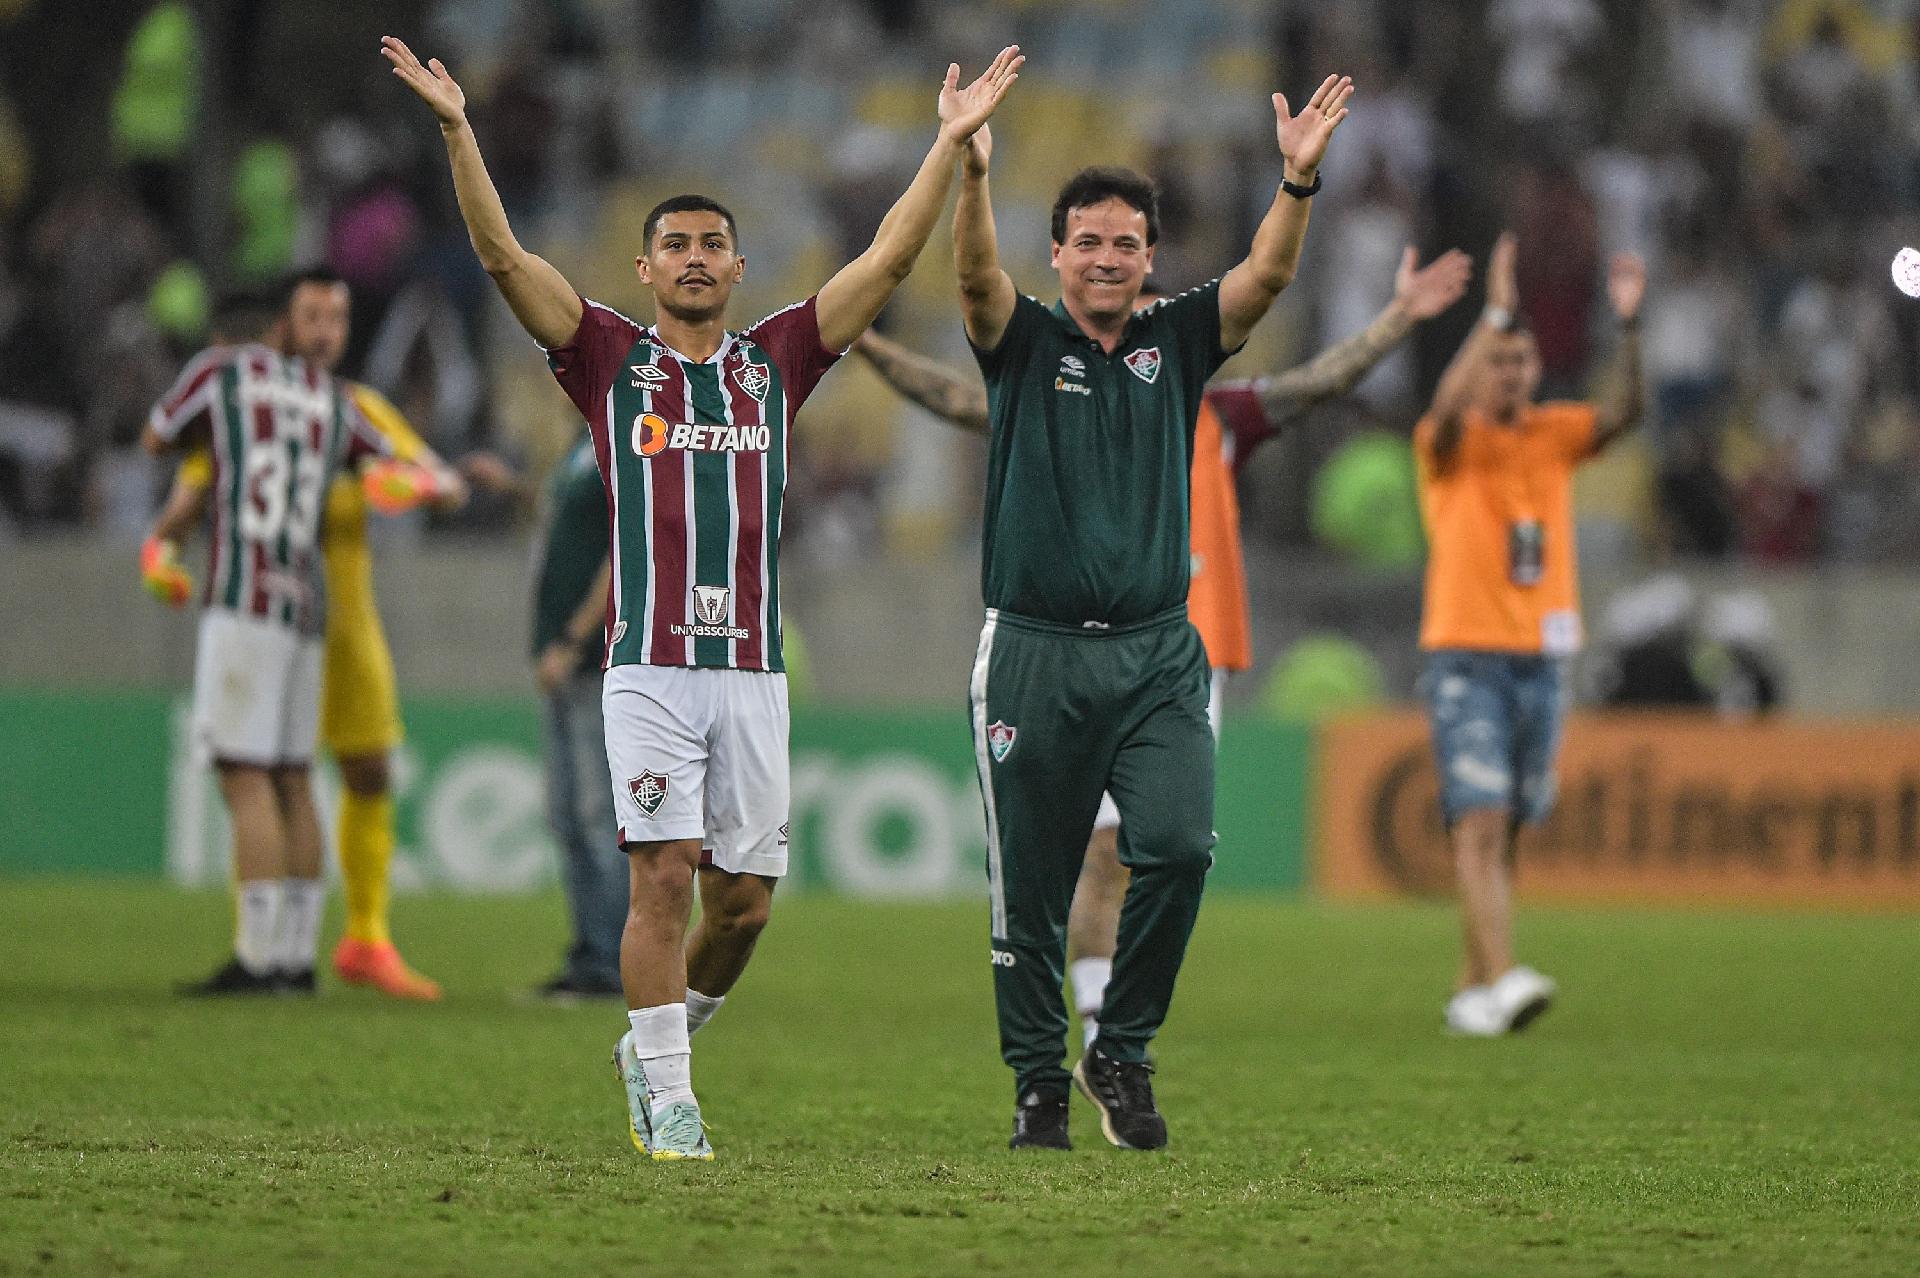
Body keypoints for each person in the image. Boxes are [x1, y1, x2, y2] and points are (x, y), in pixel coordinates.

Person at [383, 33, 1022, 1160]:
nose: (692, 256)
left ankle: (661, 1039)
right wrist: (457, 129)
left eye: (711, 245)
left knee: (746, 909)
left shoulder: (775, 362)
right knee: (663, 879)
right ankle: (671, 1102)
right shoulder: (605, 360)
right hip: (649, 669)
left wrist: (948, 142)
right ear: (645, 269)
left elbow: (887, 259)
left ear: (736, 269)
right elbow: (500, 259)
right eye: (673, 243)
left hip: (752, 675)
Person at [856, 226, 1471, 1054]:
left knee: (1160, 855)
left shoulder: (1214, 414)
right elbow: (956, 397)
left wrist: (1399, 319)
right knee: (1103, 852)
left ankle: (1102, 1011)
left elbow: (1322, 382)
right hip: (1084, 648)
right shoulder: (1055, 393)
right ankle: (1099, 1022)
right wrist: (857, 340)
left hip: (1190, 657)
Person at [952, 73, 1352, 1151]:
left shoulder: (1175, 341)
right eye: (1087, 241)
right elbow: (973, 275)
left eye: (1126, 243)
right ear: (1059, 254)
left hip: (1158, 653)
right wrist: (970, 171)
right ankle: (1039, 1083)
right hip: (1032, 652)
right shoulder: (1022, 341)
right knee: (1027, 895)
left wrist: (1299, 178)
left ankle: (1118, 1049)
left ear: (1148, 257)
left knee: (1175, 848)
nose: (1107, 258)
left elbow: (1266, 275)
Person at [144, 269, 466, 1001]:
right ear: (283, 326)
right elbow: (435, 479)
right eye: (312, 316)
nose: (327, 331)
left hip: (255, 603)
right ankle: (294, 956)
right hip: (310, 614)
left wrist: (159, 547)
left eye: (338, 317)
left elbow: (172, 456)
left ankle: (266, 958)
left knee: (251, 776)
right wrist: (412, 482)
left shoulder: (233, 388)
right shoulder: (337, 406)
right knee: (293, 779)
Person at [1414, 232, 1644, 1036]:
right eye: (1497, 361)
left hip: (1544, 658)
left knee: (1506, 827)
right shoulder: (1448, 445)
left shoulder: (1555, 433)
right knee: (1477, 821)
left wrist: (1630, 329)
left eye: (1520, 360)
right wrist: (1497, 312)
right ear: (1479, 367)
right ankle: (1504, 980)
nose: (1509, 373)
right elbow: (1443, 411)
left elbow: (1628, 416)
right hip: (1466, 654)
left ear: (1537, 370)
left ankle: (1471, 991)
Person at [527, 436, 623, 1002]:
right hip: (561, 660)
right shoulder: (577, 448)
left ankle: (612, 959)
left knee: (597, 814)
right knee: (566, 815)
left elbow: (623, 549)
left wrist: (573, 638)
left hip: (593, 659)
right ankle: (590, 952)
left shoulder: (621, 434)